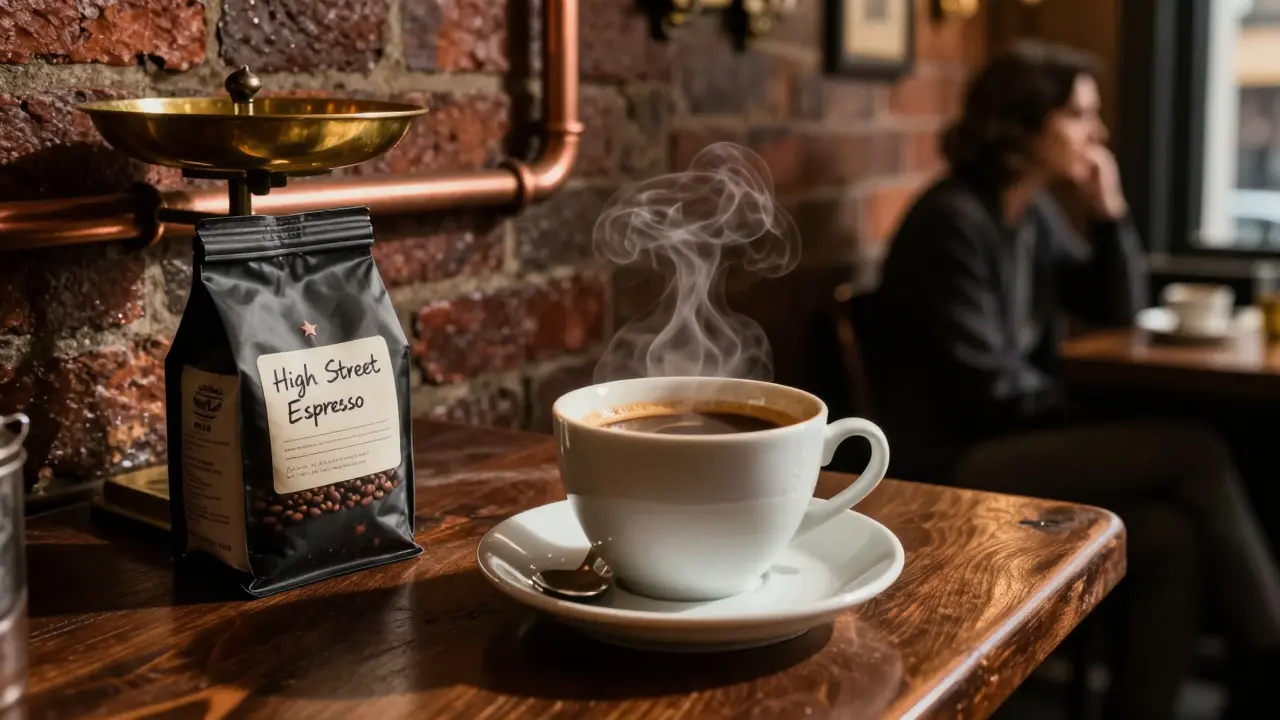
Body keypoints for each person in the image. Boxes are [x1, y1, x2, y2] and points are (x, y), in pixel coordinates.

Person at [862, 39, 1280, 719]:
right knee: (1195, 447)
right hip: (953, 463)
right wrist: (1081, 410)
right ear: (1022, 124)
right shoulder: (952, 221)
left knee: (1168, 539)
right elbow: (982, 390)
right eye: (1080, 114)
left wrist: (1109, 210)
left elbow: (1116, 306)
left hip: (1009, 436)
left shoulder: (1029, 213)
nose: (1099, 132)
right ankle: (1271, 656)